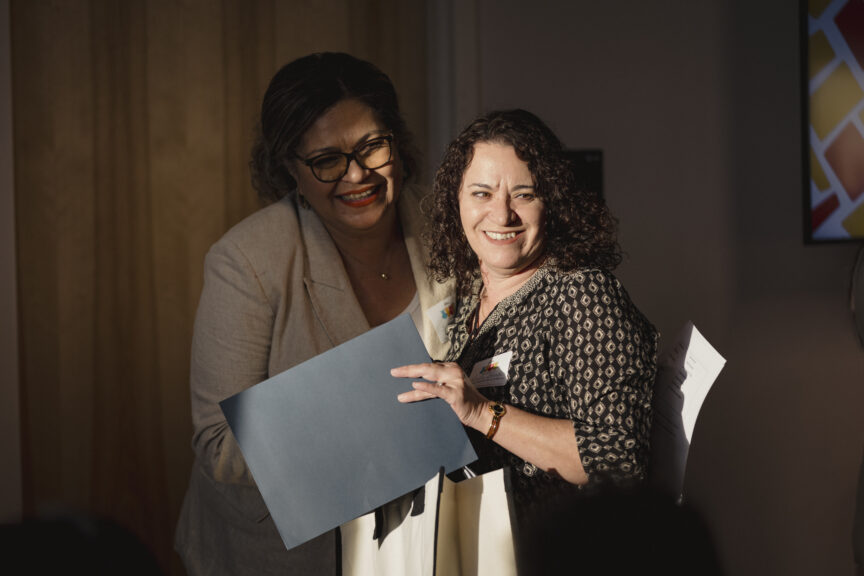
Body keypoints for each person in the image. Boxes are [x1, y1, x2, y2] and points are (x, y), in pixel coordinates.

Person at [174, 52, 454, 576]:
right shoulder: (248, 261)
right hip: (280, 555)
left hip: (421, 538)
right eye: (327, 159)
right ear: (290, 170)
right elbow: (218, 441)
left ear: (396, 141)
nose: (357, 175)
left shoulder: (448, 228)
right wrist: (386, 430)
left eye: (372, 146)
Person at [393, 109, 659, 516]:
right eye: (482, 193)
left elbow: (617, 460)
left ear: (553, 202)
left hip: (557, 553)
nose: (502, 215)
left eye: (524, 194)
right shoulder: (468, 299)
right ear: (456, 202)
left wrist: (483, 412)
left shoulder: (583, 294)